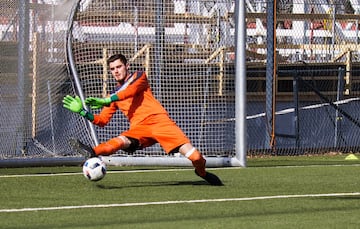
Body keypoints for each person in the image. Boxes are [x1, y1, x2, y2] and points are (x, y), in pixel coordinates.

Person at [63, 53, 223, 186]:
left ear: (127, 66)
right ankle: (92, 152)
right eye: (112, 69)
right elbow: (102, 120)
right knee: (120, 141)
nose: (116, 71)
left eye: (119, 67)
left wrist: (107, 100)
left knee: (196, 158)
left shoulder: (139, 76)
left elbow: (129, 91)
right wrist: (84, 112)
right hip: (140, 130)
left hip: (161, 123)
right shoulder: (114, 95)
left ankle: (201, 172)